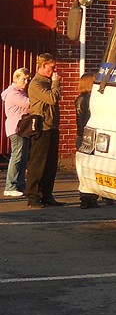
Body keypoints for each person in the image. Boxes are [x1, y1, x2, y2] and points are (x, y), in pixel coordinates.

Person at [24, 53, 63, 208]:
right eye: (52, 67)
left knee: (50, 164)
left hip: (52, 127)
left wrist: (54, 84)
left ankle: (47, 195)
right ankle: (33, 196)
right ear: (43, 65)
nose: (54, 70)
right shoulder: (36, 83)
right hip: (42, 127)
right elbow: (52, 98)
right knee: (38, 163)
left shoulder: (48, 82)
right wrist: (55, 84)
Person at [2, 67, 32, 197]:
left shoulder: (19, 92)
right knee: (17, 157)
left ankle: (20, 185)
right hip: (17, 128)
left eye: (27, 79)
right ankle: (10, 186)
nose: (26, 82)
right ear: (16, 78)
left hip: (22, 129)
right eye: (23, 79)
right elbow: (30, 104)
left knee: (23, 157)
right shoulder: (14, 94)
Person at [75, 73, 103, 208]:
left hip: (89, 135)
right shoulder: (83, 99)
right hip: (86, 136)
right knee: (85, 167)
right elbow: (82, 120)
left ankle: (92, 196)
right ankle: (85, 197)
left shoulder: (91, 98)